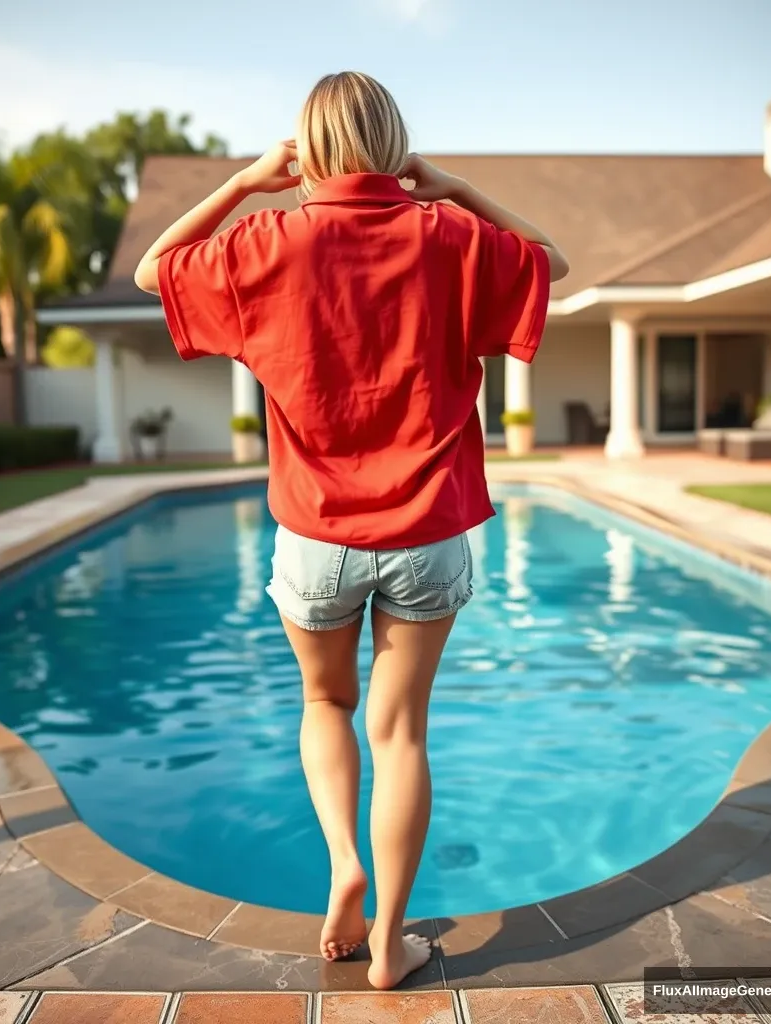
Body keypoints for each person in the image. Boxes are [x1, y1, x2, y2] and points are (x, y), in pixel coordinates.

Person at [134, 71, 568, 990]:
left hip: (316, 535)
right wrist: (450, 188)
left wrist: (246, 183)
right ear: (394, 142)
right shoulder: (448, 236)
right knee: (401, 732)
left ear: (308, 148)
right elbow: (551, 262)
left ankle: (343, 865)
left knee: (325, 705)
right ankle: (390, 942)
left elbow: (149, 273)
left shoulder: (265, 241)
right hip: (428, 529)